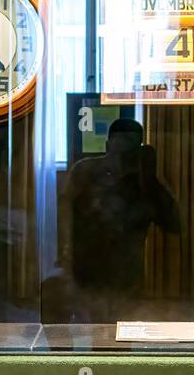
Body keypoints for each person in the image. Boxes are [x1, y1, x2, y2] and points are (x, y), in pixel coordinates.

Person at [67, 118, 181, 299]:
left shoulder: (142, 181)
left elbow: (175, 225)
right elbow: (66, 224)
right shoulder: (85, 172)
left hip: (127, 279)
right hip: (88, 276)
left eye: (129, 151)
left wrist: (150, 179)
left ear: (138, 152)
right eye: (119, 150)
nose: (122, 158)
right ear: (107, 146)